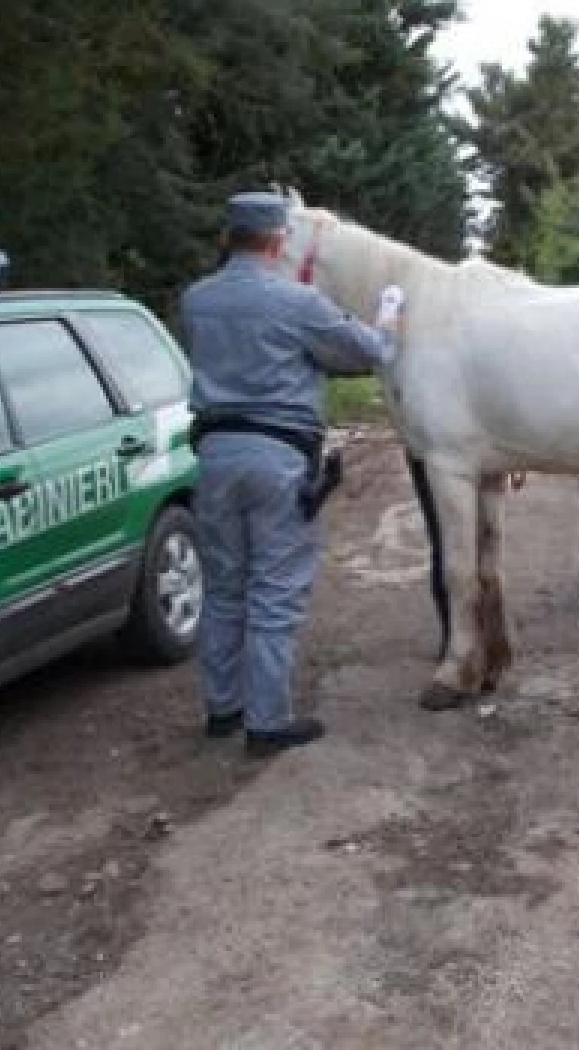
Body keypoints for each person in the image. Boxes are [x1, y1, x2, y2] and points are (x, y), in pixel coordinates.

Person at [178, 190, 403, 758]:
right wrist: (390, 314)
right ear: (280, 240)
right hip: (278, 459)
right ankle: (268, 722)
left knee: (225, 588)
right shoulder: (298, 302)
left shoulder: (198, 300)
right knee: (275, 592)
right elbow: (371, 351)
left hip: (215, 457)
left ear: (228, 237)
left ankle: (222, 709)